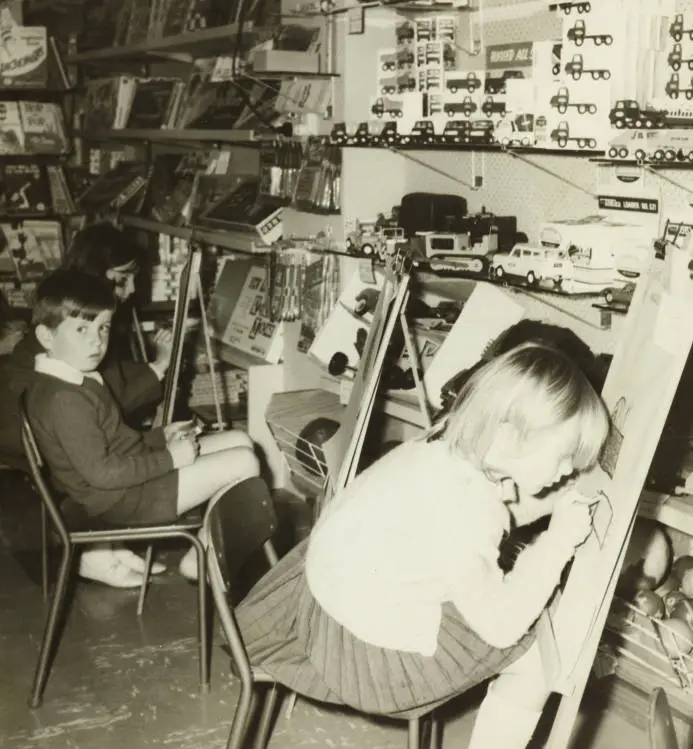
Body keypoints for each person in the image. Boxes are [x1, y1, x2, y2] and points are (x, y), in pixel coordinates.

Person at [233, 342, 610, 749]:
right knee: (536, 659)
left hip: (320, 601)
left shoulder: (443, 445)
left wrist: (554, 500)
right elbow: (501, 626)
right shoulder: (470, 507)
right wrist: (556, 543)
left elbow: (489, 516)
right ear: (510, 438)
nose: (570, 468)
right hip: (363, 655)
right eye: (566, 455)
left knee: (511, 604)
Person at [24, 268, 260, 588]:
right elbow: (103, 473)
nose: (97, 341)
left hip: (124, 487)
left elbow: (116, 444)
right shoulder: (66, 399)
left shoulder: (72, 378)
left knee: (240, 439)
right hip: (121, 500)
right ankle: (203, 554)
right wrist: (171, 458)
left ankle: (208, 540)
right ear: (46, 336)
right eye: (81, 329)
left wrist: (163, 437)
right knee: (244, 461)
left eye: (103, 327)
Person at [0, 224, 178, 587]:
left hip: (46, 424)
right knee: (102, 457)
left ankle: (109, 546)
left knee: (108, 445)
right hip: (24, 431)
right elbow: (106, 399)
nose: (129, 291)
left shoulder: (76, 316)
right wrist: (158, 367)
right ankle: (95, 553)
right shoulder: (70, 323)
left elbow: (105, 388)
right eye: (121, 279)